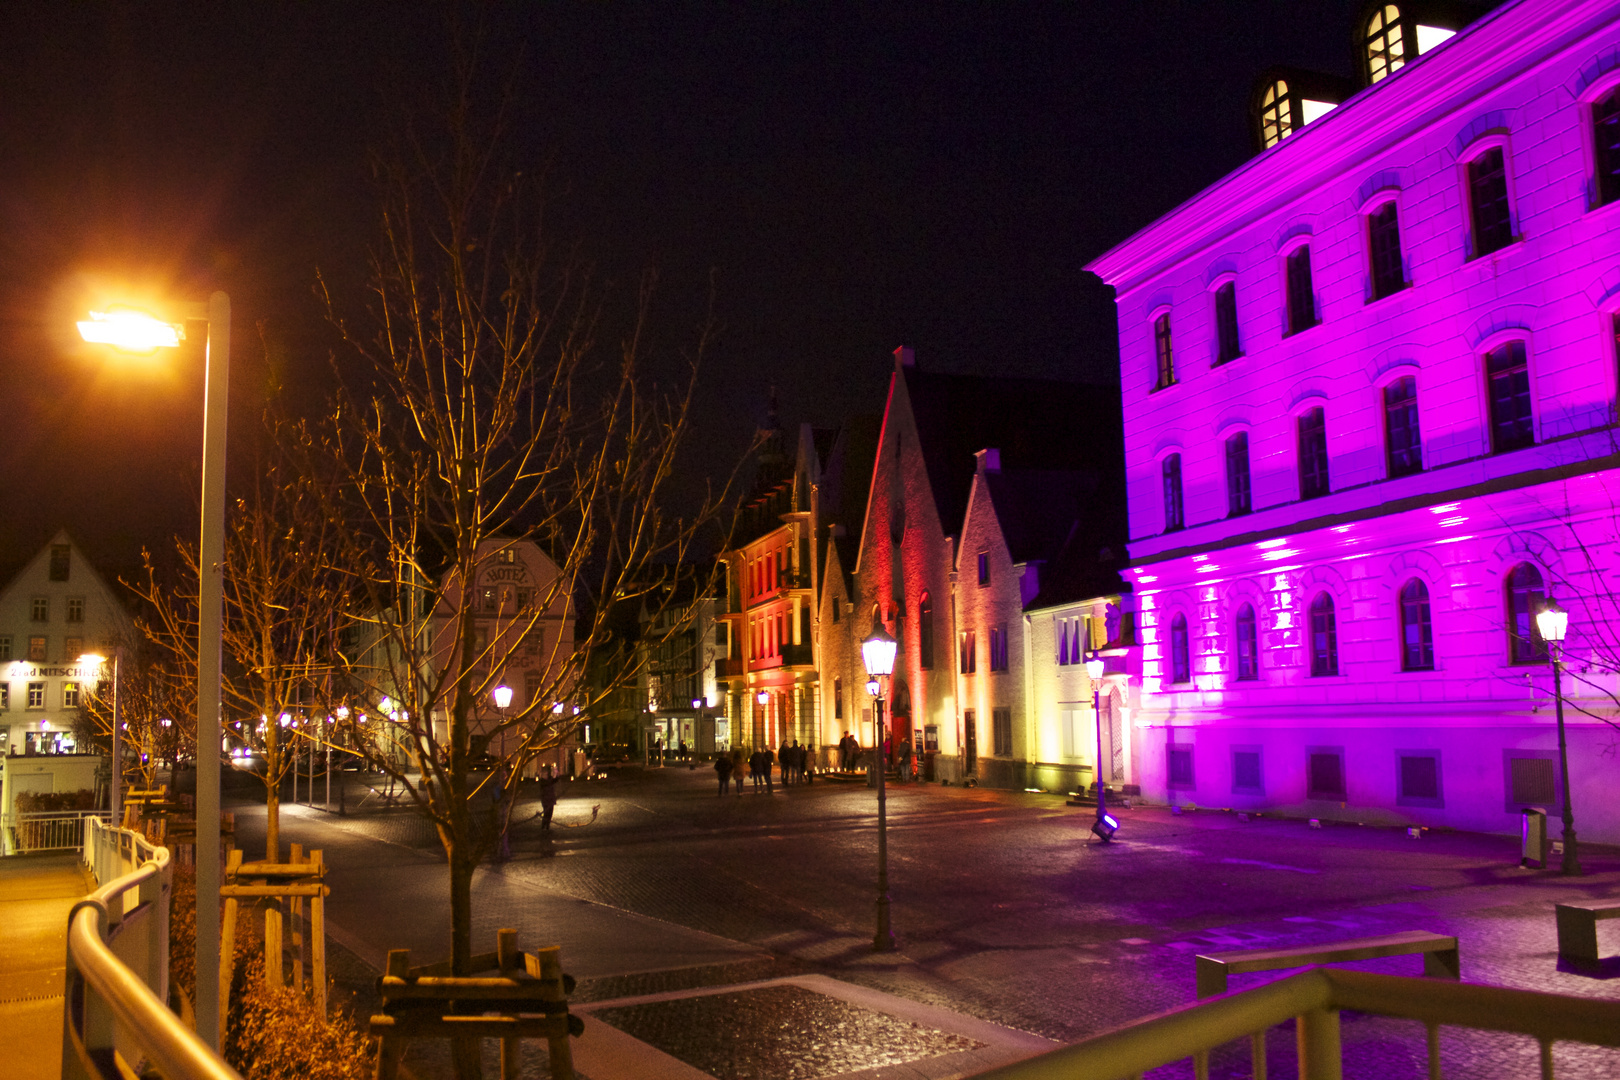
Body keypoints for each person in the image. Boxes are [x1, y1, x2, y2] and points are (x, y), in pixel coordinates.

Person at [538, 764, 560, 832]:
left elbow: (555, 780)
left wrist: (557, 773)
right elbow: (548, 783)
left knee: (550, 813)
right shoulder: (543, 781)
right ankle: (544, 825)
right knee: (546, 813)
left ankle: (547, 826)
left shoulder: (549, 779)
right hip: (546, 799)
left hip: (550, 799)